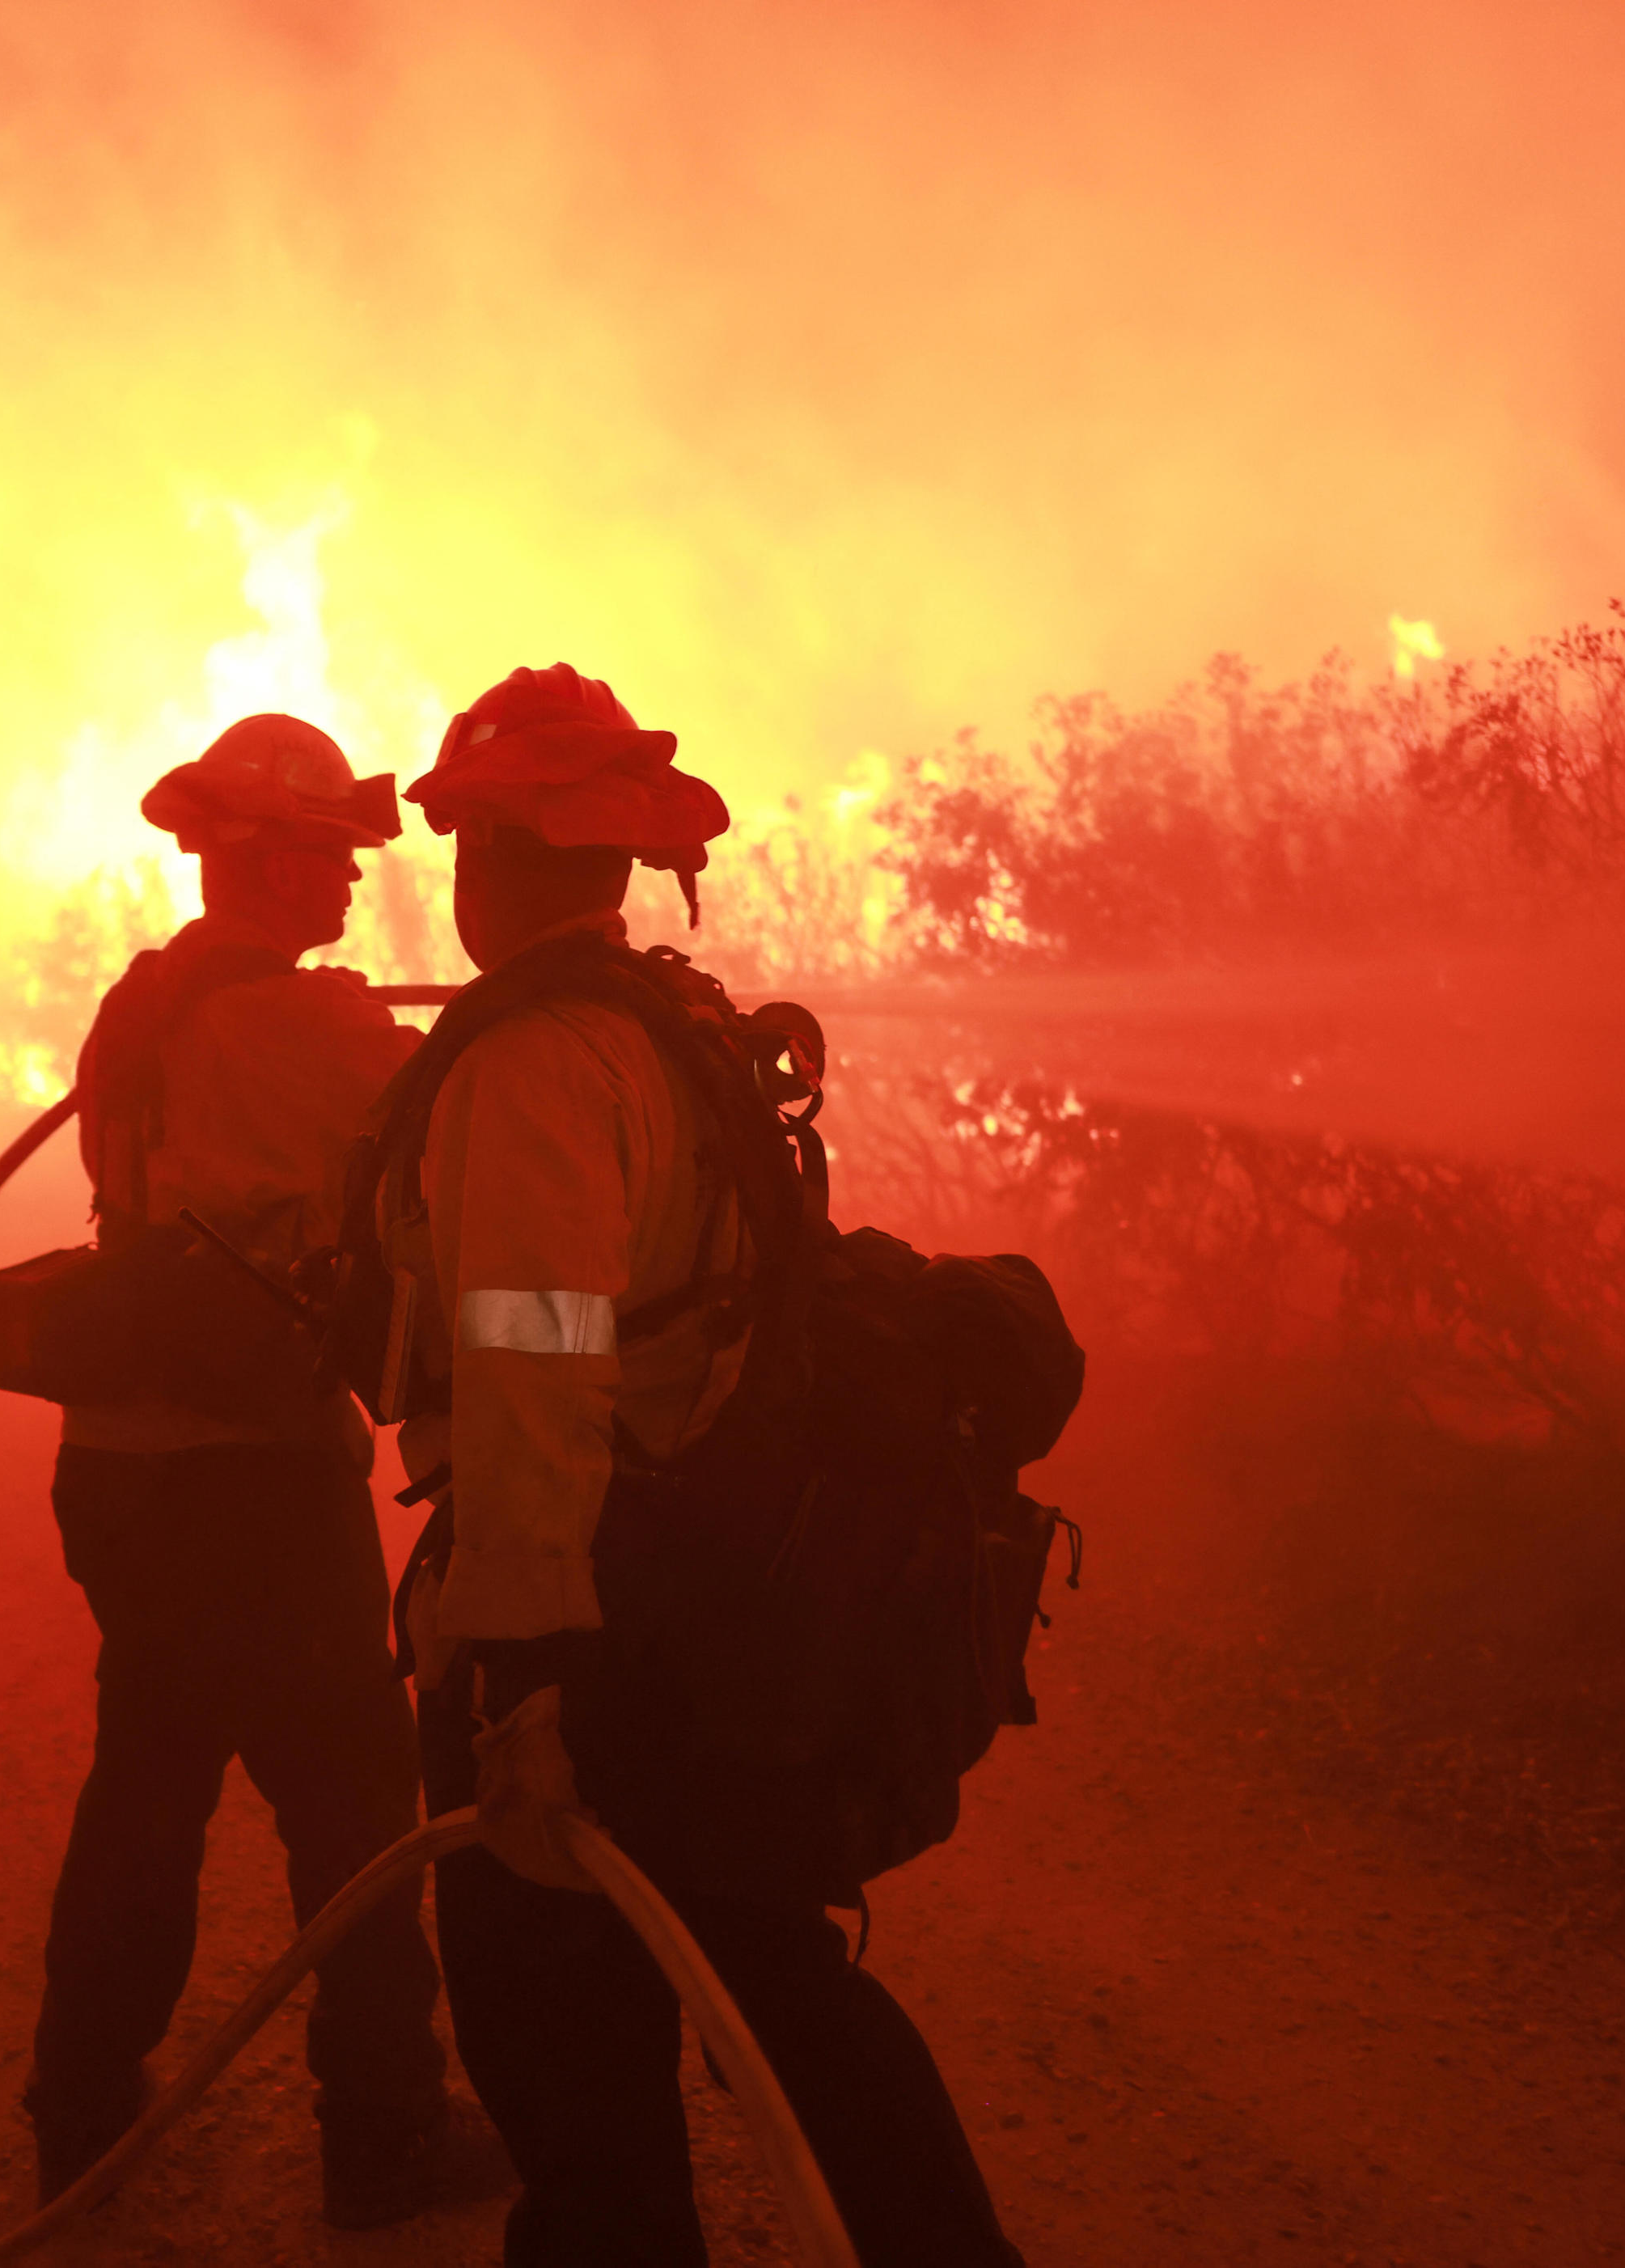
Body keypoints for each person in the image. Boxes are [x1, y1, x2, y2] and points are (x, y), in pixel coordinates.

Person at [379, 665, 1025, 2266]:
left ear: (483, 859)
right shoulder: (672, 1019)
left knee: (562, 2026)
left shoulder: (534, 1068)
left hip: (599, 1620)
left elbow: (535, 1357)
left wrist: (523, 1669)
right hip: (718, 1591)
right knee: (772, 1977)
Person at [22, 713, 455, 2228]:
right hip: (253, 1485)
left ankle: (74, 2104)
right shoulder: (302, 1028)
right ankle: (385, 2133)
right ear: (265, 860)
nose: (350, 888)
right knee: (353, 1801)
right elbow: (448, 1149)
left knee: (147, 1779)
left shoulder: (143, 1003)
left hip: (123, 1475)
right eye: (331, 858)